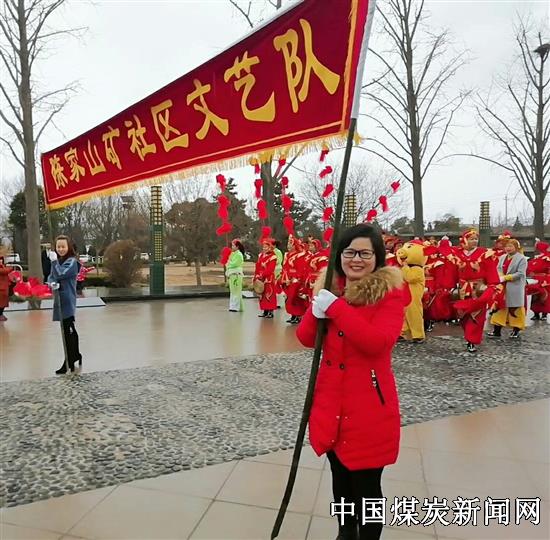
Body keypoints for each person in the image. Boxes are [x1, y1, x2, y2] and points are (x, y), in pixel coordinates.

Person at [296, 224, 409, 540]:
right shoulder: (331, 289)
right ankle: (345, 532)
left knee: (367, 488)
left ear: (377, 258)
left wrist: (336, 308)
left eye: (365, 253)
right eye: (349, 252)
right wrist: (317, 308)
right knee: (340, 480)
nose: (356, 259)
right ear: (339, 255)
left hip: (369, 407)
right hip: (331, 404)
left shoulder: (389, 295)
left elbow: (377, 343)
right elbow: (306, 338)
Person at [452, 229, 499, 353]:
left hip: (478, 288)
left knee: (477, 314)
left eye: (476, 239)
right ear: (464, 240)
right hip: (462, 288)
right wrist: (450, 285)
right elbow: (453, 271)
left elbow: (490, 270)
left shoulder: (484, 253)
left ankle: (471, 340)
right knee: (463, 314)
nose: (474, 241)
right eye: (471, 239)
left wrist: (492, 285)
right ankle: (468, 335)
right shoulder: (457, 254)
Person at [48, 235, 82, 374]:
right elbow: (52, 275)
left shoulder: (72, 262)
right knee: (68, 329)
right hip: (59, 298)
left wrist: (54, 262)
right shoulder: (58, 261)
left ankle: (69, 359)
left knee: (67, 330)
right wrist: (51, 283)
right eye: (58, 247)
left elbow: (61, 274)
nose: (60, 249)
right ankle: (75, 355)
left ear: (69, 247)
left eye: (63, 246)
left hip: (67, 299)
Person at [488, 238, 527, 338]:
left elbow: (520, 273)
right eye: (506, 246)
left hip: (514, 286)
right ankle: (496, 330)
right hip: (502, 286)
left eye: (510, 246)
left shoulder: (522, 259)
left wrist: (506, 277)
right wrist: (499, 276)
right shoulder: (502, 257)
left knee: (515, 309)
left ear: (516, 247)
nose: (508, 248)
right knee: (499, 307)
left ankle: (516, 329)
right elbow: (498, 268)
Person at [280, 235, 308, 324]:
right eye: (288, 244)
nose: (288, 246)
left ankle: (298, 316)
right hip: (287, 279)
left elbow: (300, 268)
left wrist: (294, 278)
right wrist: (283, 277)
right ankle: (293, 315)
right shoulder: (287, 255)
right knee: (288, 298)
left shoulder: (299, 255)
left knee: (295, 298)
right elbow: (285, 267)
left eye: (290, 244)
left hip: (295, 280)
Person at [254, 237, 278, 318]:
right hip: (260, 278)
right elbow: (257, 266)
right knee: (262, 295)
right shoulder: (261, 255)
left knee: (269, 294)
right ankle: (265, 310)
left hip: (268, 278)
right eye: (263, 247)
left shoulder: (273, 257)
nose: (264, 248)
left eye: (266, 247)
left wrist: (262, 275)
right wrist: (256, 275)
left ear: (270, 247)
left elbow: (270, 269)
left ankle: (270, 311)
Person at [528, 240, 550, 321]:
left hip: (544, 279)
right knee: (535, 296)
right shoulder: (538, 257)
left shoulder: (547, 257)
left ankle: (544, 314)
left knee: (544, 296)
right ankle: (536, 314)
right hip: (536, 279)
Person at [226, 239, 245, 312]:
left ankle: (235, 307)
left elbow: (234, 264)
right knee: (233, 291)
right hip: (232, 274)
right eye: (232, 245)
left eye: (233, 245)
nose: (232, 247)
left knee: (236, 290)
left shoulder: (239, 255)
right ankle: (234, 306)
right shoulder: (233, 254)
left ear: (237, 247)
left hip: (236, 274)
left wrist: (228, 263)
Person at [0, 253, 13, 322]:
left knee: (4, 303)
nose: (1, 261)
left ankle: (1, 314)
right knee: (1, 303)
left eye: (1, 260)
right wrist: (10, 268)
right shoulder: (2, 269)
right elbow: (5, 271)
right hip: (1, 288)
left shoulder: (3, 266)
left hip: (5, 287)